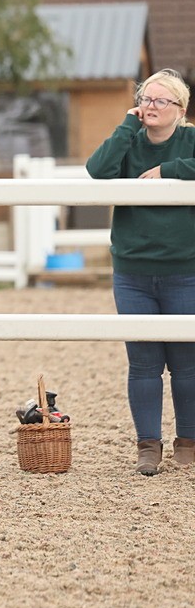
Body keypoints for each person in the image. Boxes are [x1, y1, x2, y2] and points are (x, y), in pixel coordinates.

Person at [86, 68, 195, 475]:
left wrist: (172, 171)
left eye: (160, 101)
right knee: (144, 362)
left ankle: (188, 441)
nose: (150, 106)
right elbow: (97, 170)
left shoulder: (190, 139)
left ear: (179, 110)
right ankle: (147, 446)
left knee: (187, 363)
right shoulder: (128, 140)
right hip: (132, 270)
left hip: (185, 268)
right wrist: (125, 124)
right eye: (145, 99)